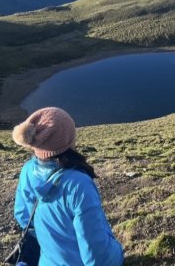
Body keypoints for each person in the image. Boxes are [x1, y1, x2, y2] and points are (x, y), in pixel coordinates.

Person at [12, 107, 124, 266]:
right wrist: (118, 252)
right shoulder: (79, 184)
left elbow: (23, 216)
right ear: (67, 140)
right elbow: (98, 257)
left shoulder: (28, 170)